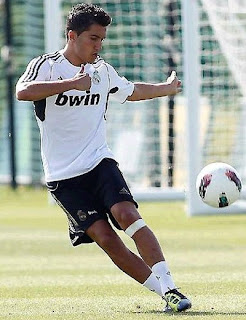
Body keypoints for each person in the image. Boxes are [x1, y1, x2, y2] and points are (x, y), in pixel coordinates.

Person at [16, 3, 191, 313]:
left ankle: (171, 288)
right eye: (93, 39)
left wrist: (164, 89)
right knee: (107, 239)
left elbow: (130, 90)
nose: (98, 46)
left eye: (102, 40)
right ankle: (163, 294)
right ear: (72, 36)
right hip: (62, 177)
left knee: (127, 214)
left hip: (99, 162)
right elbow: (23, 91)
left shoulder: (102, 70)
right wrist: (71, 83)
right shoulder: (47, 65)